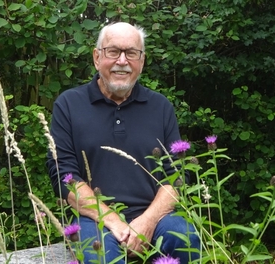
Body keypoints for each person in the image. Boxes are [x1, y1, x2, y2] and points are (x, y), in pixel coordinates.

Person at [46, 22, 200, 263]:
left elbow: (177, 177)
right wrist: (115, 222)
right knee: (100, 255)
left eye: (131, 53)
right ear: (97, 57)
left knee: (185, 238)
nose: (122, 60)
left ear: (142, 61)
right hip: (94, 219)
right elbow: (64, 175)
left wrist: (147, 221)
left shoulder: (160, 107)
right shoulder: (69, 105)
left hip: (156, 216)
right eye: (113, 51)